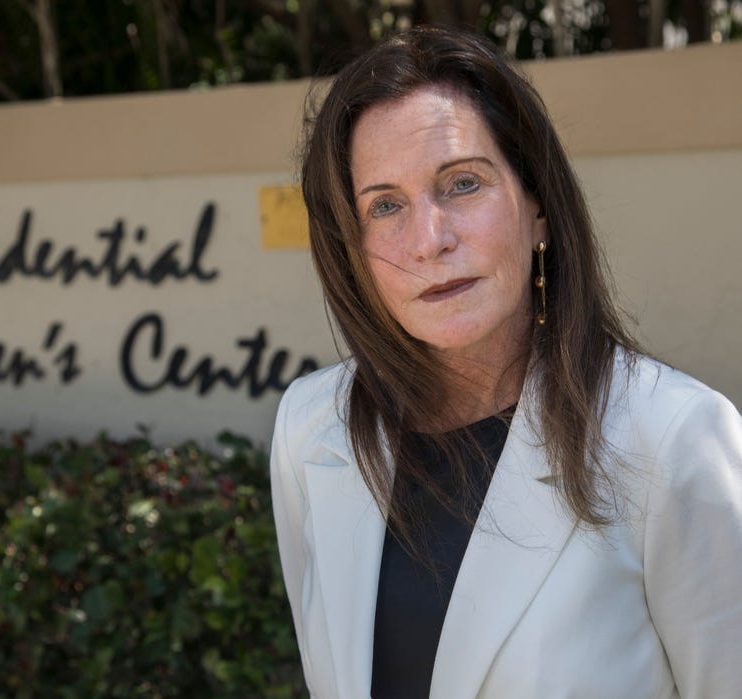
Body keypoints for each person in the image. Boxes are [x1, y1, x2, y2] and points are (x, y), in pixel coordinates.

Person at [270, 24, 742, 699]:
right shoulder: (312, 428)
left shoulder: (674, 437)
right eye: (385, 205)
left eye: (462, 184)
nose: (430, 239)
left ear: (538, 206)